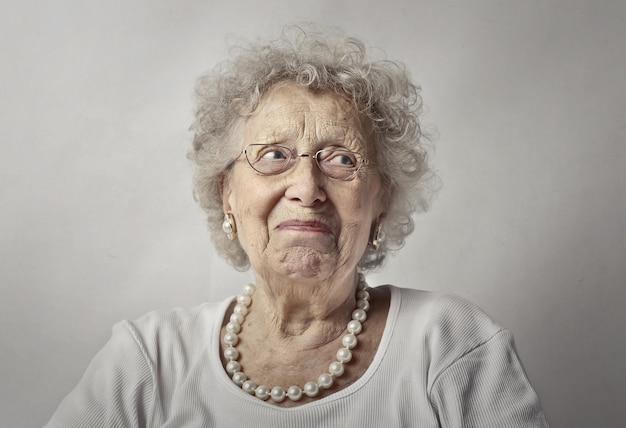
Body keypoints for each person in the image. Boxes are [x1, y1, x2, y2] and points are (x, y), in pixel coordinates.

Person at [45, 25, 548, 427]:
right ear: (228, 193)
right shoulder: (148, 360)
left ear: (380, 201)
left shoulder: (450, 342)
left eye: (340, 159)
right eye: (274, 156)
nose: (306, 187)